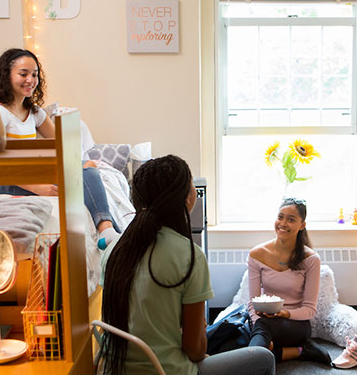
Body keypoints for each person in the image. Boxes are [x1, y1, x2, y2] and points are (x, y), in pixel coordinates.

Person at [100, 155, 276, 375]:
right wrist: (198, 333)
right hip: (165, 371)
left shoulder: (114, 250)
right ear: (186, 197)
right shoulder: (189, 255)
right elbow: (194, 351)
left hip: (111, 370)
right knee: (263, 358)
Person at [0, 48, 121, 245]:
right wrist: (38, 188)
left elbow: (61, 144)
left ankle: (107, 230)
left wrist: (74, 164)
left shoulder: (34, 112)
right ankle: (108, 231)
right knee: (85, 175)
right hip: (7, 180)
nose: (30, 80)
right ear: (6, 75)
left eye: (34, 75)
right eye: (23, 74)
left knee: (88, 168)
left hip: (33, 172)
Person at [246, 197, 333, 366]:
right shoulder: (257, 254)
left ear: (302, 225)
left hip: (296, 324)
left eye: (291, 219)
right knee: (247, 336)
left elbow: (309, 310)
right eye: (280, 217)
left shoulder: (311, 259)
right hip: (264, 321)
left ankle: (253, 362)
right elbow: (252, 303)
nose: (283, 223)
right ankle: (299, 351)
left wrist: (284, 313)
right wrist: (258, 324)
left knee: (260, 332)